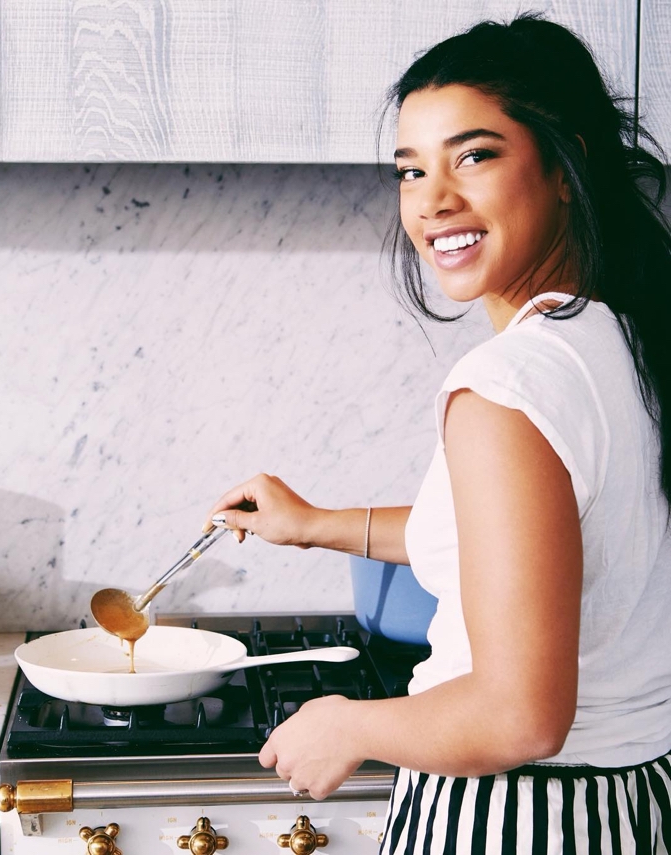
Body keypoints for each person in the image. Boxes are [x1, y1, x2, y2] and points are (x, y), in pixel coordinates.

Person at [203, 14, 671, 853]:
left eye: (475, 155)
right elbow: (531, 540)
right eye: (411, 170)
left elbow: (519, 715)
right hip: (629, 807)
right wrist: (313, 525)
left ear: (567, 166)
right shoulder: (622, 341)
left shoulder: (504, 388)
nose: (433, 200)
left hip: (515, 817)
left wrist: (347, 724)